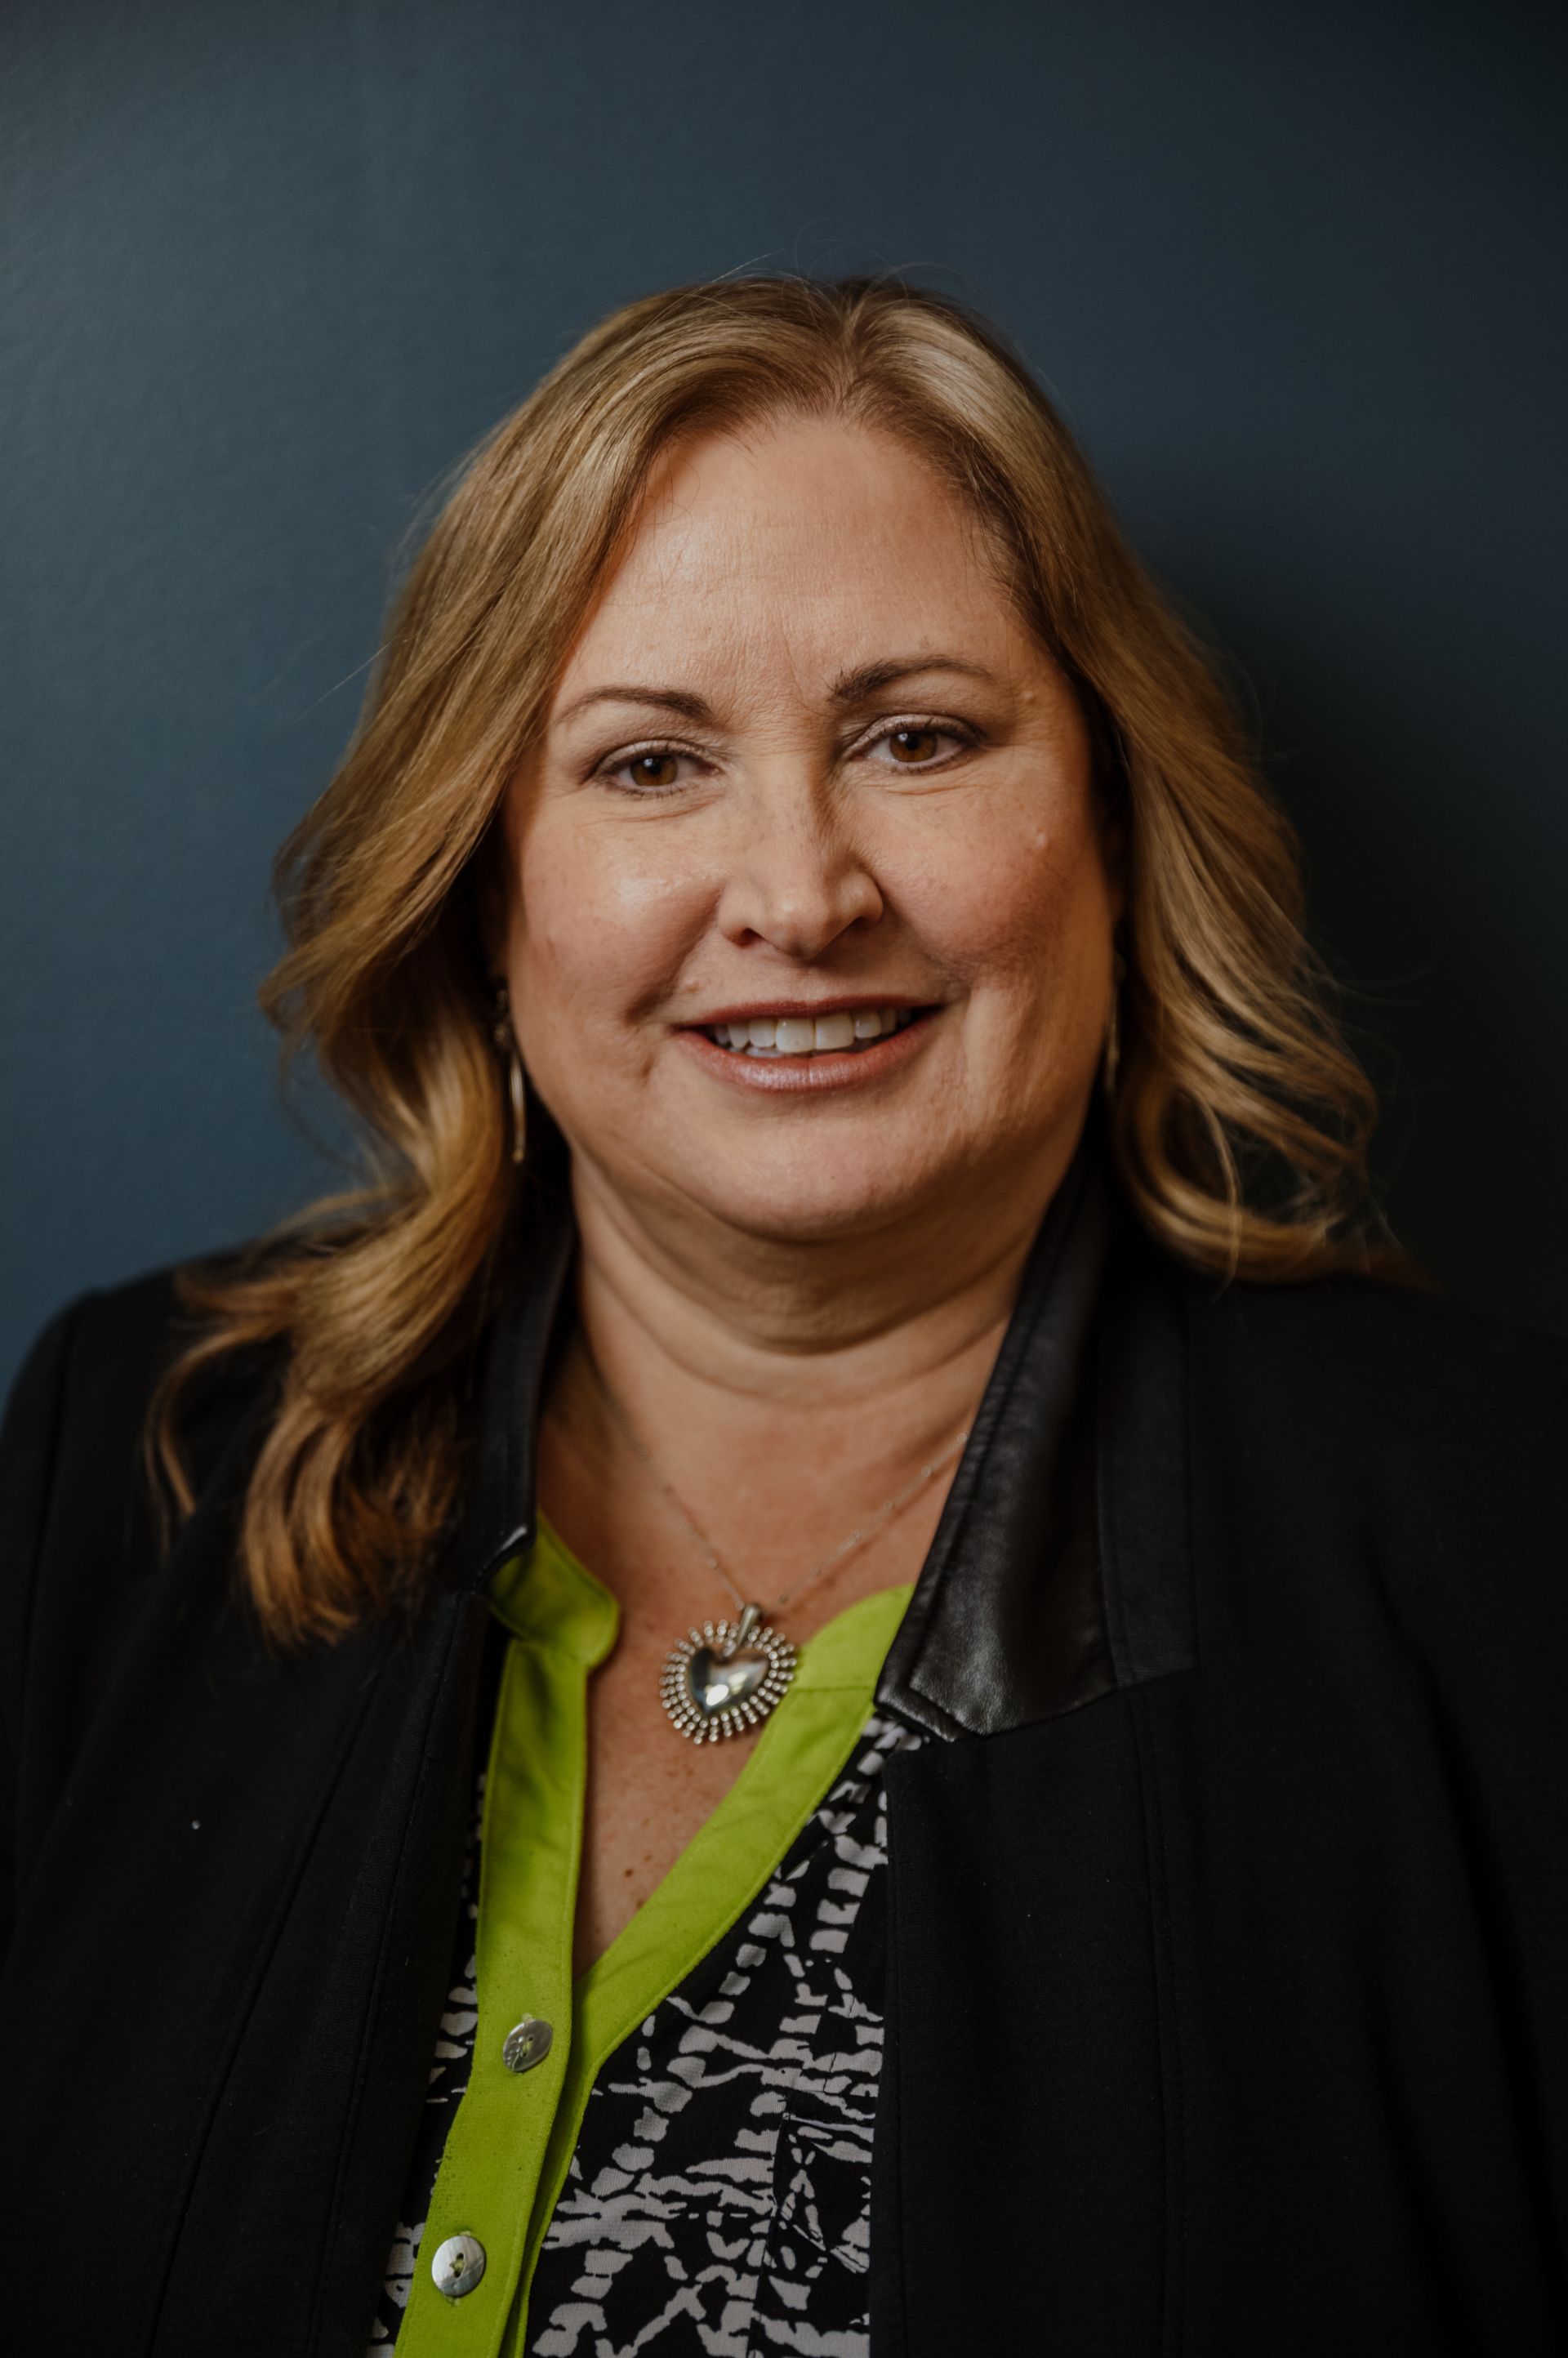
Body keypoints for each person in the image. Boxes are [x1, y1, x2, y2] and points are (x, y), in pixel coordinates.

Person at [1, 276, 1563, 2358]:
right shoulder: (141, 1448)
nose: (800, 886)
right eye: (651, 762)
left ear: (1112, 831)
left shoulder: (1494, 1536)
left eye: (917, 737)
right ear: (489, 890)